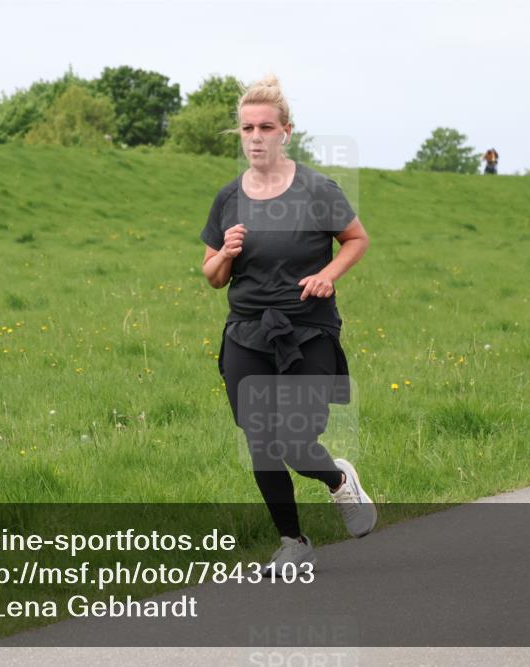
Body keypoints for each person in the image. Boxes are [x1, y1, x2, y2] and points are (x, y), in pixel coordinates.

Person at [199, 74, 377, 574]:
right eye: (246, 128)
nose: (255, 136)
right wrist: (228, 253)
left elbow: (357, 240)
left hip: (307, 329)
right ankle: (292, 542)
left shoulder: (318, 189)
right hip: (247, 332)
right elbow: (212, 277)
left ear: (286, 132)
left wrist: (327, 274)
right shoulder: (228, 198)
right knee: (259, 439)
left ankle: (339, 481)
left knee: (296, 440)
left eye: (265, 127)